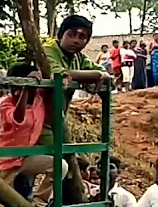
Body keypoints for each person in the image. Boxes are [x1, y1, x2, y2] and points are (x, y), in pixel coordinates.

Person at [0, 62, 65, 201]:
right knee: (2, 202)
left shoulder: (39, 99)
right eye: (14, 87)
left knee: (60, 166)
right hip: (6, 160)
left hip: (26, 158)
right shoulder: (6, 102)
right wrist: (25, 91)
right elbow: (17, 119)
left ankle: (40, 201)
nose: (14, 91)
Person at [38, 15, 110, 148]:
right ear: (61, 35)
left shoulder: (79, 58)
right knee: (60, 161)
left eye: (82, 37)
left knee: (71, 158)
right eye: (71, 35)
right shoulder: (47, 51)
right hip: (39, 122)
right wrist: (96, 75)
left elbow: (104, 72)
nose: (76, 41)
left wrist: (99, 75)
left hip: (59, 121)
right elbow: (59, 73)